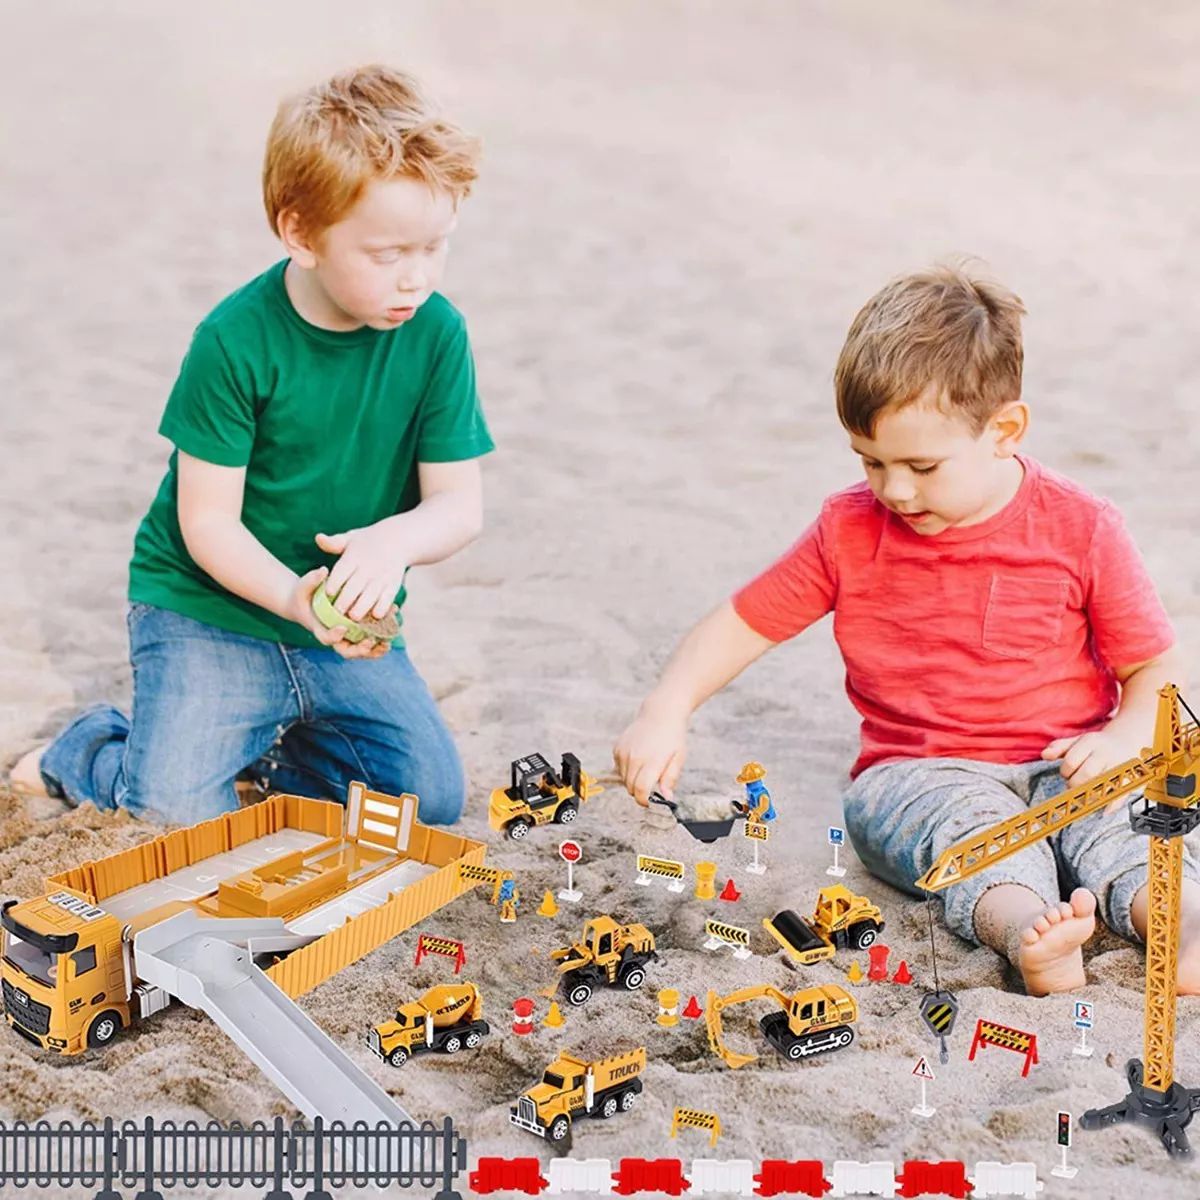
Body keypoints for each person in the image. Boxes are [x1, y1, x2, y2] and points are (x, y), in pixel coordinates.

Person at [614, 262, 1200, 996]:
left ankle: (1183, 923)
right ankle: (1029, 934)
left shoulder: (1082, 527)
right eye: (871, 462)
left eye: (922, 466)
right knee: (971, 836)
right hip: (920, 772)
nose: (893, 489)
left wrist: (1123, 740)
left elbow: (1155, 668)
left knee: (1129, 827)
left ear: (1004, 431)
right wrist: (665, 709)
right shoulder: (848, 530)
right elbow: (743, 622)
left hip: (1071, 763)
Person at [11, 65, 492, 825]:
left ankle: (262, 754)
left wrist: (394, 542)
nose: (417, 279)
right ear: (301, 233)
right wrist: (293, 598)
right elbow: (208, 525)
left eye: (436, 247)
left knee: (426, 800)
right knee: (172, 812)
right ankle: (90, 750)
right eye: (387, 254)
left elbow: (459, 506)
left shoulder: (438, 335)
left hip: (338, 635)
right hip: (209, 613)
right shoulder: (234, 340)